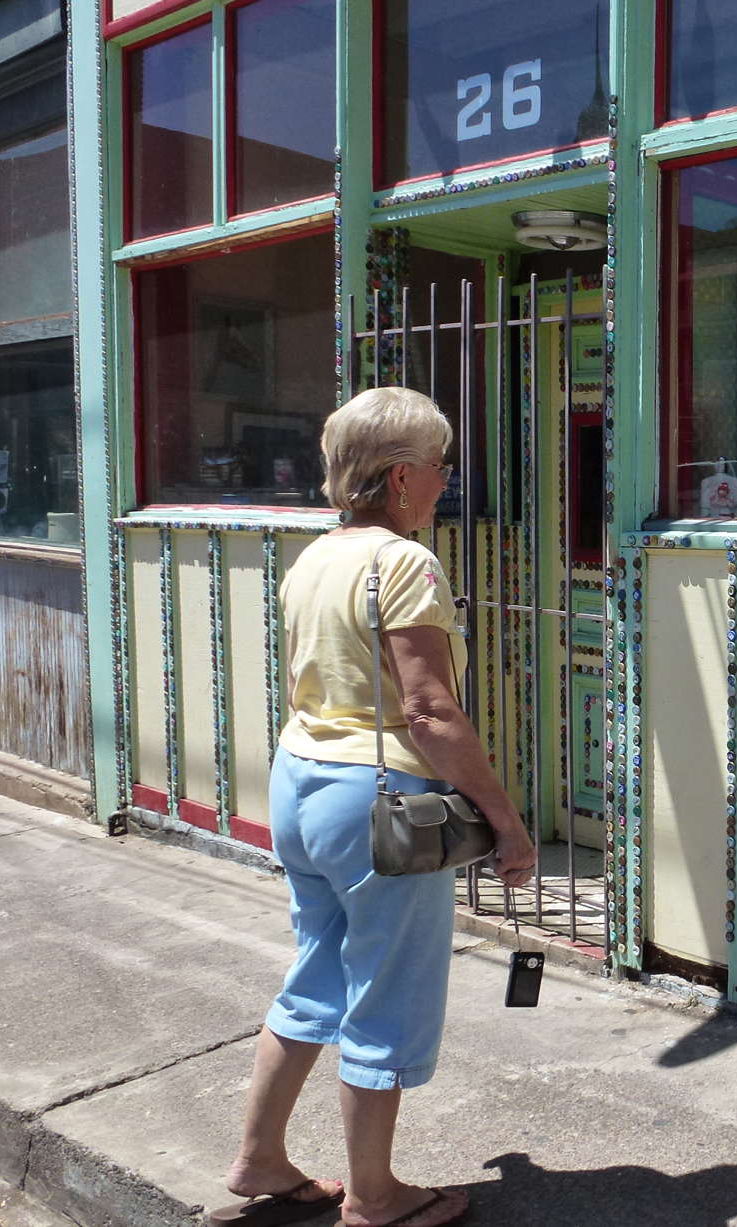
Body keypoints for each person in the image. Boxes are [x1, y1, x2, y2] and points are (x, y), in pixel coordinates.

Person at [215, 387, 535, 1227]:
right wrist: (504, 820)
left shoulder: (314, 558)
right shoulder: (404, 563)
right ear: (399, 477)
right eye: (438, 466)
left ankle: (259, 1156)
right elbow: (428, 711)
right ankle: (375, 1194)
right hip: (377, 800)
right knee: (387, 989)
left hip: (302, 780)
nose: (444, 481)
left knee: (318, 970)